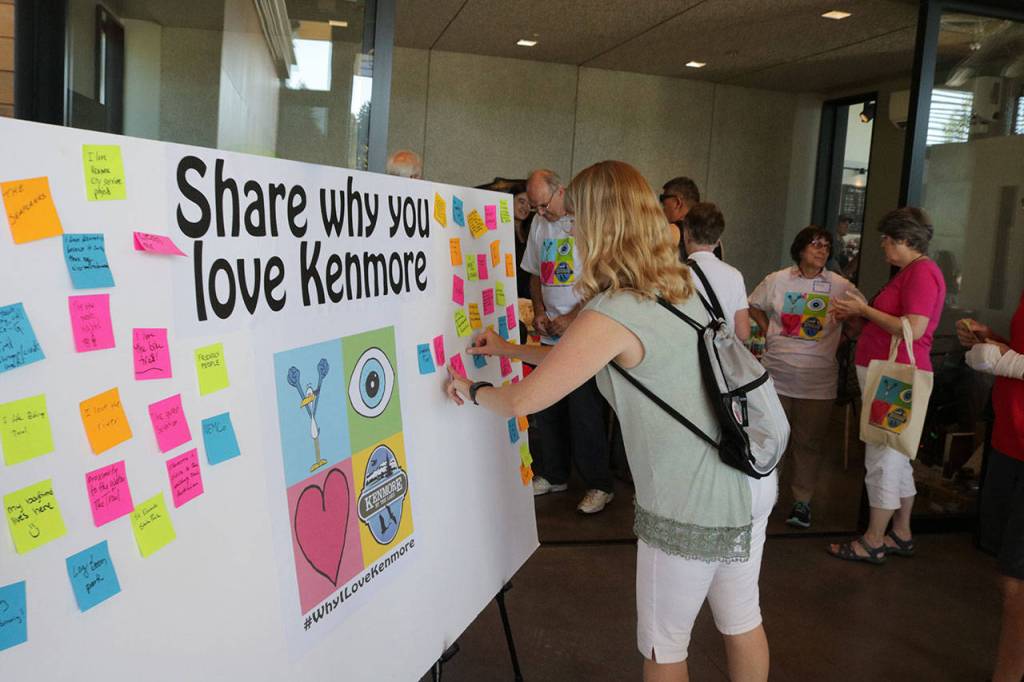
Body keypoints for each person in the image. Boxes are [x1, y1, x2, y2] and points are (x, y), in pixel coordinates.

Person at [447, 160, 774, 682]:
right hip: (747, 471)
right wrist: (509, 347)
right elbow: (577, 360)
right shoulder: (682, 283)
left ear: (597, 226)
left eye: (576, 219)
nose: (569, 230)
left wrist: (472, 388)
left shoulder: (614, 310)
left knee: (664, 648)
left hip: (691, 499)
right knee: (741, 619)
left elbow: (522, 401)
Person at [828, 207, 945, 563]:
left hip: (895, 377)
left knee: (882, 455)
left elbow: (914, 327)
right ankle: (901, 532)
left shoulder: (921, 273)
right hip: (890, 374)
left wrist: (863, 311)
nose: (882, 246)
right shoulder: (913, 271)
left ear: (906, 240)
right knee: (895, 452)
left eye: (887, 239)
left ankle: (873, 539)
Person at [748, 226, 861, 528]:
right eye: (815, 245)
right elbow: (752, 304)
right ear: (800, 249)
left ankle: (802, 503)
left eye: (826, 246)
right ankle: (766, 498)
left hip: (818, 381)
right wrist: (769, 331)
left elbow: (859, 318)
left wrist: (843, 337)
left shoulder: (840, 285)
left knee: (808, 443)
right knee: (773, 440)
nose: (822, 250)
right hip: (776, 375)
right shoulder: (777, 280)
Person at [520, 168, 614, 513]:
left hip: (584, 332)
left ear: (561, 191)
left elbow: (604, 281)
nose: (541, 213)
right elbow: (534, 274)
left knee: (584, 411)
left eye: (543, 205)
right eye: (534, 208)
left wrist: (572, 318)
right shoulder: (539, 224)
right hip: (549, 332)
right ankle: (553, 473)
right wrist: (540, 311)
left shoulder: (587, 222)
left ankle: (598, 484)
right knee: (548, 407)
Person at [959, 294, 1024, 682]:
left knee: (1017, 582)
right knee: (1009, 575)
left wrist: (1001, 358)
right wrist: (993, 339)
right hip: (1008, 442)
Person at [680, 202, 750, 342]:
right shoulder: (734, 275)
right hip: (721, 360)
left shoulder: (678, 275)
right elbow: (743, 333)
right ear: (718, 240)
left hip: (687, 355)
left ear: (687, 234)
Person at [659, 176, 700, 256]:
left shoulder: (672, 231)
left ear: (677, 202)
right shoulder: (716, 240)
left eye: (664, 204)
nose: (662, 210)